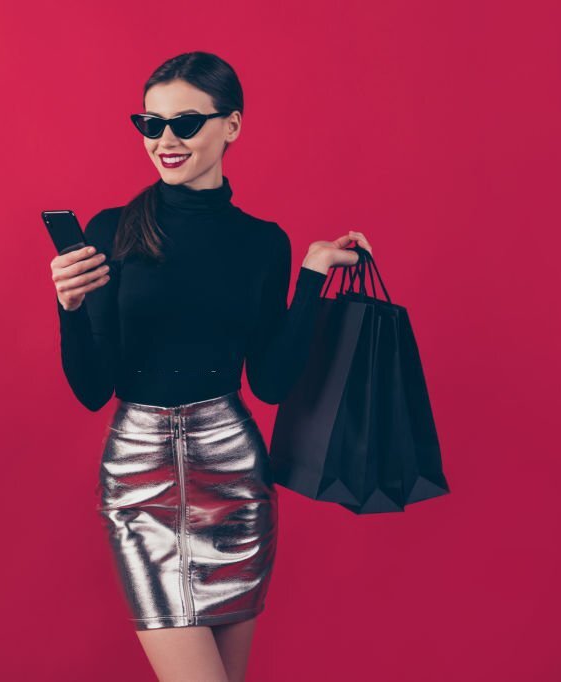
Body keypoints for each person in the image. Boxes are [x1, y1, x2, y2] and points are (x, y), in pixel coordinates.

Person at [50, 51, 374, 682]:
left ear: (232, 125)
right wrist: (68, 306)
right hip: (139, 476)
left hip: (233, 475)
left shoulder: (262, 242)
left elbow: (272, 381)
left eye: (186, 123)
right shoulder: (113, 231)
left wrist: (310, 274)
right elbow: (93, 388)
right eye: (152, 124)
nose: (165, 140)